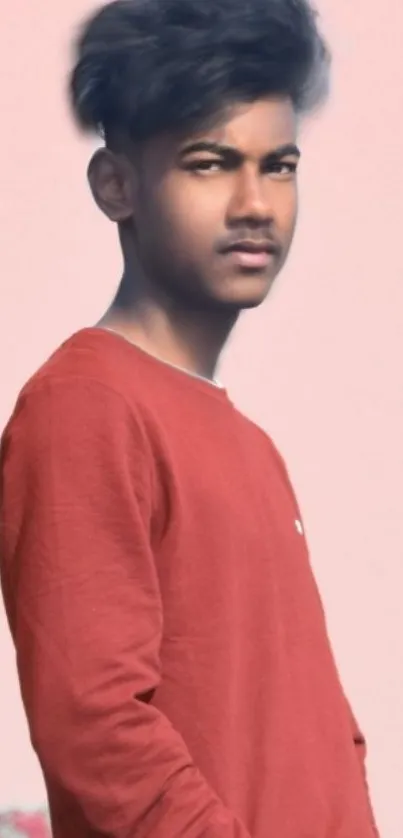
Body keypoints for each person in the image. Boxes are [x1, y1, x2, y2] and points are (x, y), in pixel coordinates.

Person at [0, 0, 379, 836]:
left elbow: (311, 735)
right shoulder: (83, 407)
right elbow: (96, 729)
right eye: (210, 163)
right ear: (117, 185)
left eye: (278, 165)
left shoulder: (251, 446)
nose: (255, 202)